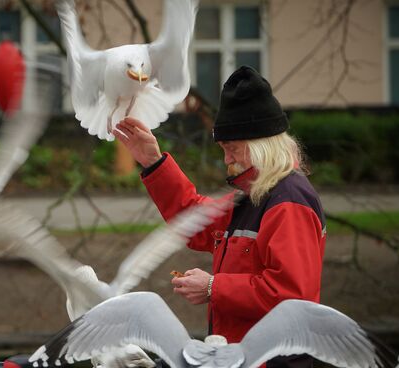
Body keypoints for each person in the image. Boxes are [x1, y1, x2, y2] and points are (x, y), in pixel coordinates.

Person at [113, 66, 326, 368]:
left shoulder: (288, 199)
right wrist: (153, 161)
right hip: (238, 357)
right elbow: (195, 222)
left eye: (232, 148)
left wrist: (214, 287)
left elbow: (291, 297)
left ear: (260, 145)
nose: (227, 160)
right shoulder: (255, 195)